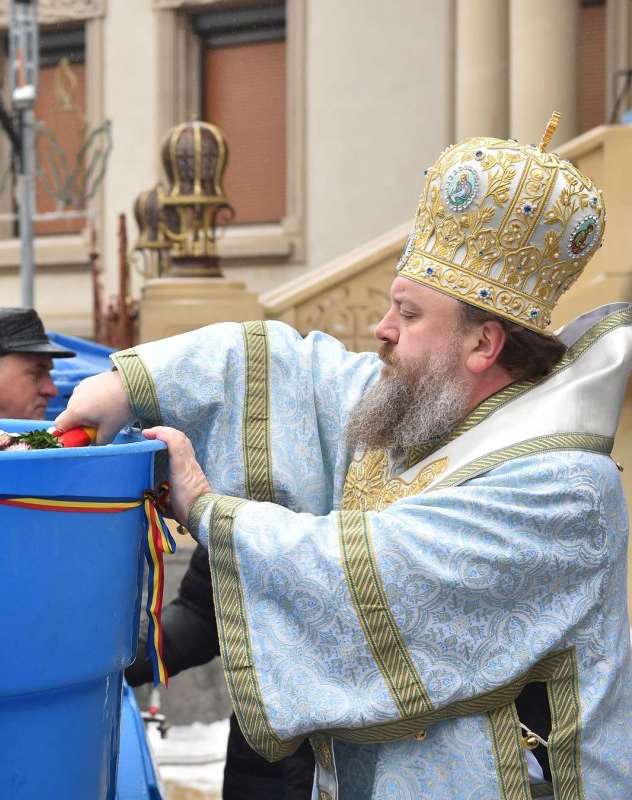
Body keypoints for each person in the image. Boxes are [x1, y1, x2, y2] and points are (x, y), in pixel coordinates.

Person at [56, 129, 632, 797]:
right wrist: (129, 384)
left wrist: (206, 509)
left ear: (483, 344)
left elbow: (377, 569)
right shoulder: (425, 412)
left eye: (408, 314)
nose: (383, 328)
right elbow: (292, 367)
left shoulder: (568, 488)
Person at [124, 546, 315, 799]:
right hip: (261, 759)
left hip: (355, 764)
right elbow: (202, 613)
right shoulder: (243, 523)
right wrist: (119, 657)